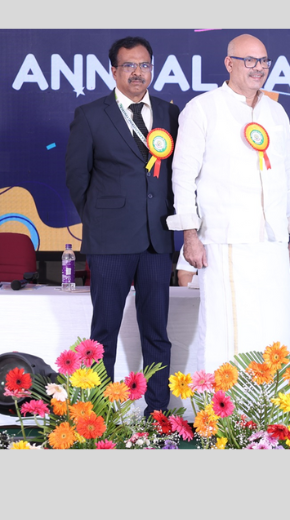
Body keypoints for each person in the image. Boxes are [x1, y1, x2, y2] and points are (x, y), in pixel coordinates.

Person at [167, 34, 290, 373]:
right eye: (249, 60)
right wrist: (190, 235)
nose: (258, 68)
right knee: (225, 336)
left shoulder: (276, 112)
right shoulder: (202, 108)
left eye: (263, 61)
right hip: (224, 242)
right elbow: (183, 177)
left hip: (273, 244)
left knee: (274, 334)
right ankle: (221, 408)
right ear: (229, 63)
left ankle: (271, 406)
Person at [65, 36, 180, 416]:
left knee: (157, 332)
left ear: (152, 69)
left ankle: (157, 413)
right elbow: (77, 178)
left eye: (144, 65)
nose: (137, 73)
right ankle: (97, 416)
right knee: (104, 332)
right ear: (114, 70)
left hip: (156, 239)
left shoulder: (169, 113)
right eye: (129, 65)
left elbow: (177, 175)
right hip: (109, 240)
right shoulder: (90, 115)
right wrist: (100, 219)